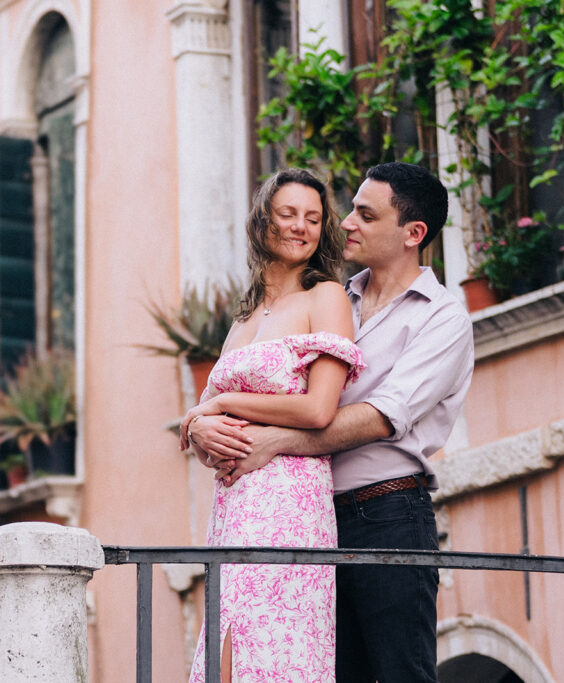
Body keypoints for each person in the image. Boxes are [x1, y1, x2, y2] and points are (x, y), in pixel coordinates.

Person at [189, 162, 475, 682]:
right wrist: (200, 424)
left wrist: (276, 441)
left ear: (413, 234)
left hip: (385, 513)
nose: (346, 224)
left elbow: (380, 417)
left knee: (399, 673)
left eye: (365, 215)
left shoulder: (442, 318)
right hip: (309, 517)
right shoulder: (333, 297)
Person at [182, 167, 366, 683]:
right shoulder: (242, 320)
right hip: (232, 506)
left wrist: (220, 406)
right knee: (225, 648)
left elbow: (317, 410)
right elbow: (207, 419)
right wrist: (200, 431)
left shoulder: (325, 297)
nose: (300, 226)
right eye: (287, 214)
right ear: (263, 221)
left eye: (312, 218)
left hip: (290, 501)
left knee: (273, 651)